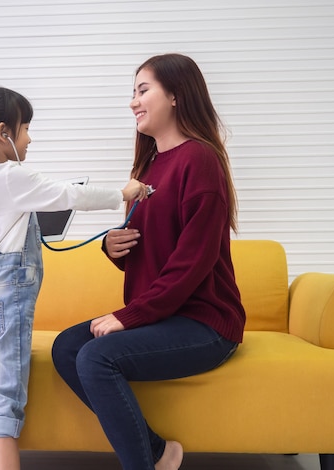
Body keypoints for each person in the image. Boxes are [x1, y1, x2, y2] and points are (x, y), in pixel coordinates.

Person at [51, 54, 246, 470]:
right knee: (67, 347)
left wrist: (131, 315)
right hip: (163, 316)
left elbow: (193, 262)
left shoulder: (200, 161)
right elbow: (154, 250)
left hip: (204, 322)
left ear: (175, 95)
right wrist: (115, 247)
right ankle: (159, 453)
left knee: (95, 356)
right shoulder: (148, 165)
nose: (133, 102)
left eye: (143, 90)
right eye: (133, 93)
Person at [0, 86, 148, 470]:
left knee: (3, 384)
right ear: (3, 132)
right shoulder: (9, 174)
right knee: (6, 396)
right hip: (6, 303)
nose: (30, 138)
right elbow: (66, 195)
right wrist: (123, 193)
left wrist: (18, 223)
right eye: (25, 128)